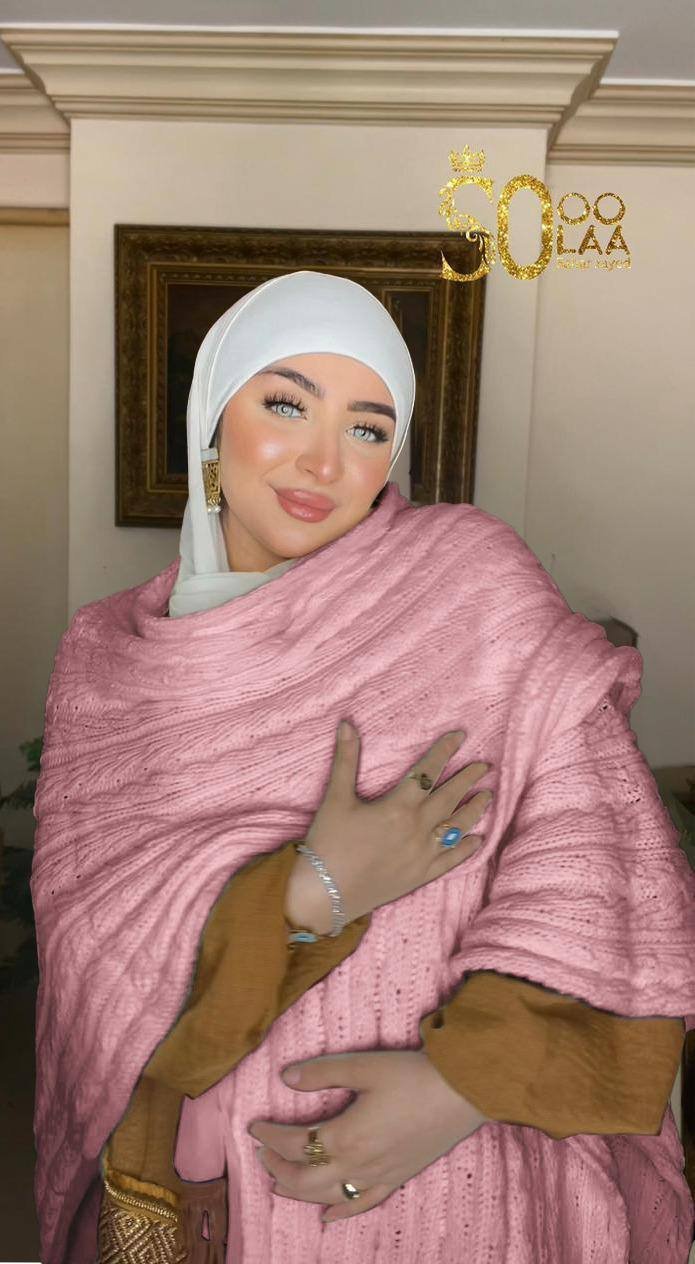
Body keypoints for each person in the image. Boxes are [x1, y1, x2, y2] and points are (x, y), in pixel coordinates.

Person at [31, 272, 694, 1264]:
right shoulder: (108, 659)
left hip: (462, 1178)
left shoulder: (470, 583)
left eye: (367, 427)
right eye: (284, 404)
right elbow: (93, 949)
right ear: (211, 417)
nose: (322, 459)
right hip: (217, 1184)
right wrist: (309, 890)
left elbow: (602, 857)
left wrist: (461, 1087)